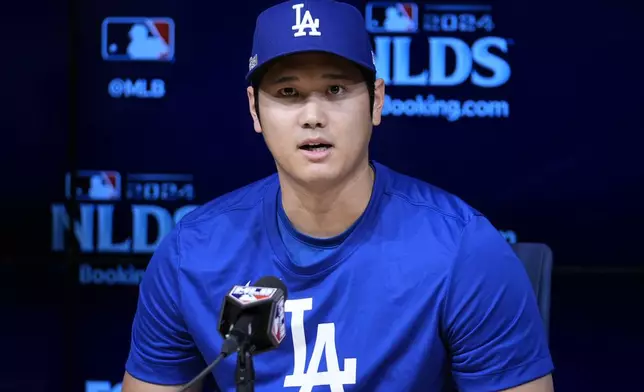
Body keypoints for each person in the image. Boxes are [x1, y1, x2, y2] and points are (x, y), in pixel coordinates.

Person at [122, 1, 555, 391]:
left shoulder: (463, 250)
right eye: (288, 93)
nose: (313, 116)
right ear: (254, 109)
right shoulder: (190, 253)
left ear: (377, 102)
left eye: (336, 90)